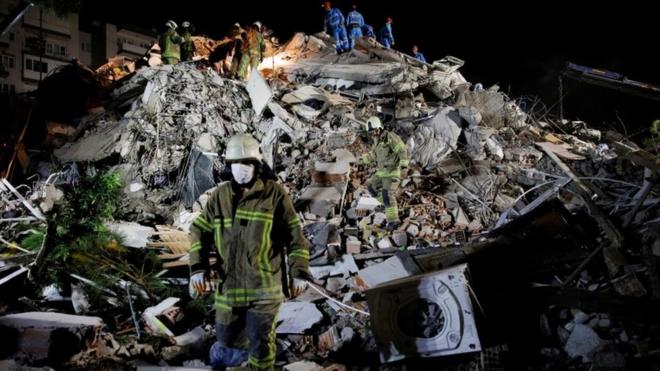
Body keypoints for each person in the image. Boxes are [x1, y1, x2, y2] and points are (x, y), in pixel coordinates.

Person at [189, 133, 310, 370]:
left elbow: (296, 236)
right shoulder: (220, 195)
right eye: (236, 163)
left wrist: (299, 272)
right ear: (229, 166)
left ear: (257, 165)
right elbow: (198, 232)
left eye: (247, 163)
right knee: (227, 339)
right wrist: (197, 268)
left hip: (264, 287)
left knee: (261, 344)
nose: (241, 169)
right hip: (230, 288)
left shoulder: (274, 193)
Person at [360, 116, 408, 230]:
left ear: (380, 127)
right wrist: (362, 160)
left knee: (387, 194)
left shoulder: (390, 137)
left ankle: (394, 220)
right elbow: (373, 156)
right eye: (371, 132)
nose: (374, 133)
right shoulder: (376, 141)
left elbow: (402, 150)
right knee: (372, 188)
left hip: (392, 172)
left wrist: (404, 167)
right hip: (382, 172)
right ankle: (386, 207)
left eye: (375, 130)